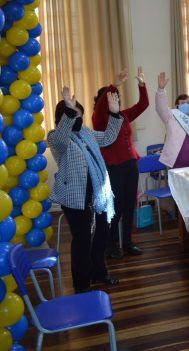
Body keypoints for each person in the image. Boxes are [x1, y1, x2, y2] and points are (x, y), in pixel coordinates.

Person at [48, 86, 123, 293]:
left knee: (101, 235)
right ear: (64, 118)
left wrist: (114, 113)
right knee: (82, 241)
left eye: (79, 114)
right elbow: (62, 140)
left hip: (99, 195)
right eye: (74, 114)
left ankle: (100, 273)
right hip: (76, 198)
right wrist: (69, 113)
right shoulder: (56, 137)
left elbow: (108, 138)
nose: (78, 118)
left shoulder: (86, 133)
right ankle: (82, 285)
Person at [93, 67, 149, 258]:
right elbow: (101, 108)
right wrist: (114, 85)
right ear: (103, 101)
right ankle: (111, 244)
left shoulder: (123, 115)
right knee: (115, 208)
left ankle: (127, 242)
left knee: (128, 205)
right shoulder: (99, 119)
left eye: (116, 96)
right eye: (110, 97)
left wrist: (142, 84)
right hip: (114, 167)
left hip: (131, 164)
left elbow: (143, 105)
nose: (115, 99)